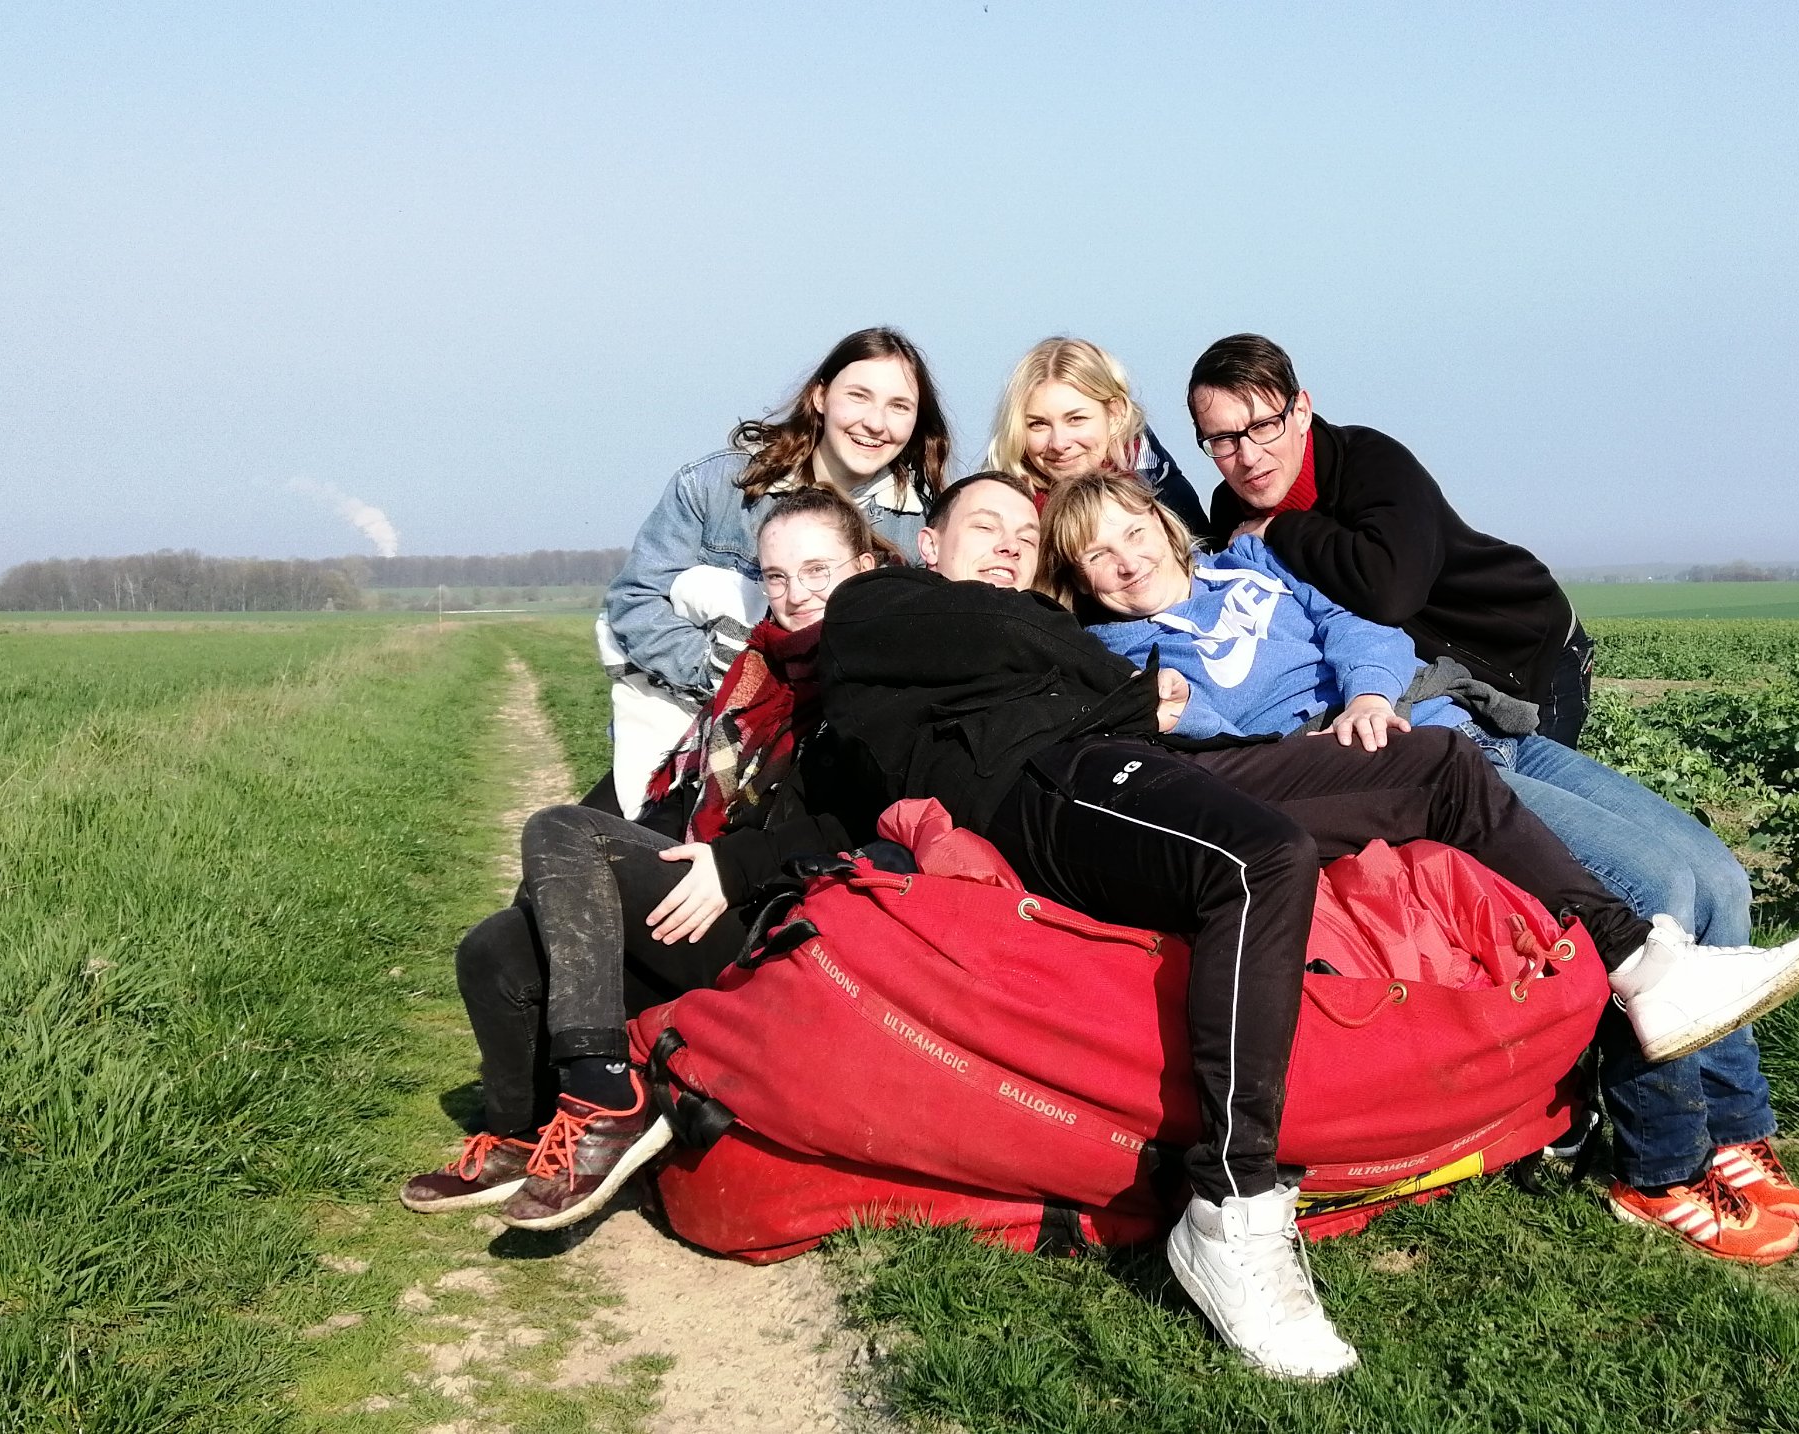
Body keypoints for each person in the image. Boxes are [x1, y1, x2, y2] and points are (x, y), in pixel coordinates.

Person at [809, 472, 1799, 1377]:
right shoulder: (889, 603)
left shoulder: (1061, 625)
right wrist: (1127, 692)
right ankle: (1230, 1208)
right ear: (924, 543)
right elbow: (935, 713)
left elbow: (1303, 642)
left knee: (1435, 769)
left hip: (1147, 758)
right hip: (1058, 780)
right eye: (983, 525)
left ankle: (1640, 963)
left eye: (1018, 537)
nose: (1003, 544)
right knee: (1260, 859)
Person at [1042, 472, 1799, 1265]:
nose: (1126, 561)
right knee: (1660, 887)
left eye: (1133, 533)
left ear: (1164, 526)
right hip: (1379, 765)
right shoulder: (1120, 656)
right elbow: (1211, 753)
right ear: (1078, 577)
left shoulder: (1252, 570)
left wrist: (1370, 693)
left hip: (1445, 715)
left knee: (1720, 875)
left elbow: (1364, 627)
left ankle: (1736, 1133)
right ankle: (1663, 1166)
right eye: (1096, 555)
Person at [401, 492, 884, 1232]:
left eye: (819, 570)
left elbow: (858, 816)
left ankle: (602, 1094)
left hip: (773, 918)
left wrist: (732, 865)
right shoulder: (760, 668)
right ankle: (525, 1129)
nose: (796, 594)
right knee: (494, 949)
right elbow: (683, 798)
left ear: (868, 565)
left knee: (563, 832)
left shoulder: (875, 671)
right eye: (778, 576)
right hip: (702, 887)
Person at [596, 326, 951, 816]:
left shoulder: (922, 531)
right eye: (859, 396)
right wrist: (727, 673)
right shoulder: (721, 486)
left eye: (899, 406)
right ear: (821, 396)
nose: (876, 422)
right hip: (682, 737)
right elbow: (634, 599)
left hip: (814, 760)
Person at [1189, 333, 1596, 745]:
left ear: (1301, 412)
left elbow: (1391, 592)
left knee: (1540, 806)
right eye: (1223, 439)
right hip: (1432, 684)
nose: (1248, 456)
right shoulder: (1230, 511)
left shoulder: (1372, 462)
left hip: (1519, 652)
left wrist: (1279, 527)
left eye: (1263, 426)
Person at [984, 335, 1212, 539]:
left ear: (1115, 413)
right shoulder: (993, 512)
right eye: (1038, 424)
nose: (1059, 443)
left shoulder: (1167, 502)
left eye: (1076, 419)